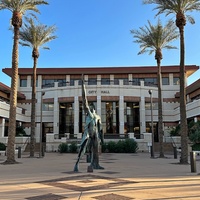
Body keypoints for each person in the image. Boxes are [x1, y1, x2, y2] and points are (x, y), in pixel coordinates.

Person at [74, 76, 104, 172]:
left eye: (91, 106)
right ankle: (76, 164)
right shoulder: (89, 115)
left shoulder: (98, 117)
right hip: (88, 134)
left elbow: (100, 128)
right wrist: (83, 86)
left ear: (93, 108)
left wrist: (102, 139)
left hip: (95, 135)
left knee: (96, 150)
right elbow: (84, 99)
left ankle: (96, 164)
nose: (89, 107)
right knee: (82, 149)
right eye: (88, 107)